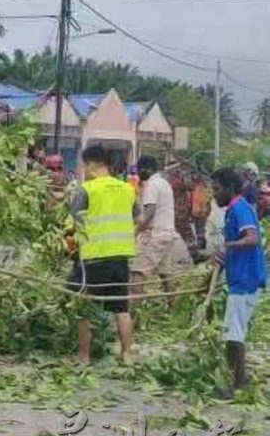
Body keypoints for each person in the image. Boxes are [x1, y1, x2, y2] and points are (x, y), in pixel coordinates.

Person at [67, 144, 136, 365]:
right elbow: (138, 217)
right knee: (121, 308)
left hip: (93, 256)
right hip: (121, 257)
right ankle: (127, 355)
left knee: (83, 308)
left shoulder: (86, 189)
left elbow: (74, 221)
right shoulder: (127, 189)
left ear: (90, 165)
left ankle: (84, 357)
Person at [212, 167, 266, 398]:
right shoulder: (234, 209)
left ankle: (238, 383)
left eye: (216, 190)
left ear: (229, 188)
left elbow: (252, 238)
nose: (214, 195)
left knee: (234, 333)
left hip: (246, 280)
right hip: (240, 278)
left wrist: (228, 247)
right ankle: (235, 378)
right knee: (233, 330)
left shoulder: (239, 208)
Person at [131, 156, 189, 306]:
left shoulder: (152, 185)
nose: (138, 173)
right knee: (166, 276)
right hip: (167, 235)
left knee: (138, 273)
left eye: (139, 170)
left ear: (147, 168)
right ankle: (175, 310)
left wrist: (135, 232)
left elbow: (149, 213)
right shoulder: (164, 183)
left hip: (155, 236)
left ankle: (132, 313)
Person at [191, 173, 212, 251]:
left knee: (200, 227)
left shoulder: (205, 188)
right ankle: (200, 242)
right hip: (196, 211)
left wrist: (205, 209)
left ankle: (201, 243)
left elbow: (208, 199)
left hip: (202, 211)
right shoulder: (195, 187)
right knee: (198, 227)